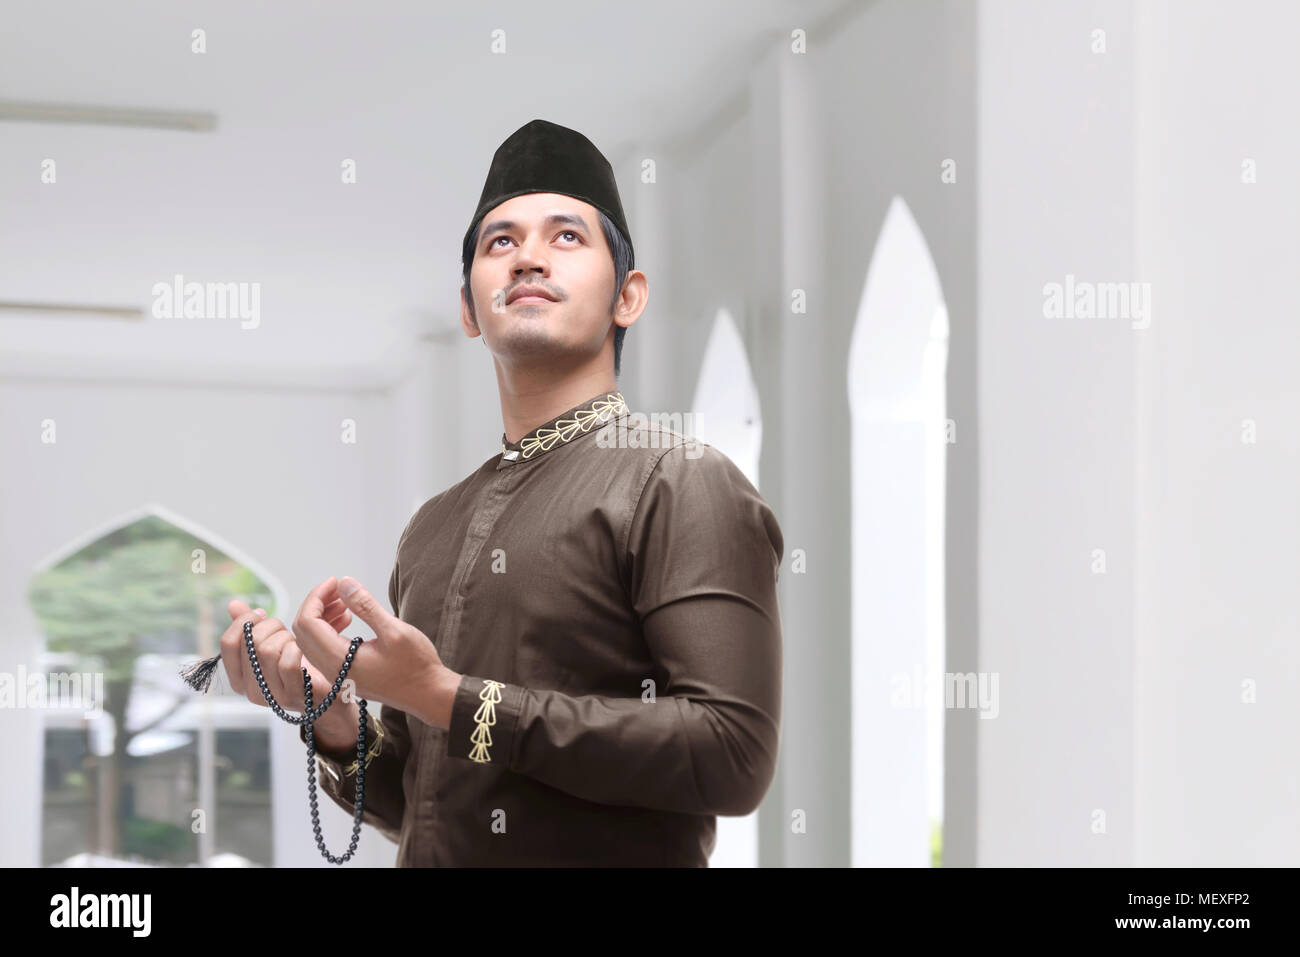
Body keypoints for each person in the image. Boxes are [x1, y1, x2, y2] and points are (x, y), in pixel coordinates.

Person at [219, 118, 784, 866]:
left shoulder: (681, 481)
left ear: (628, 296)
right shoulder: (433, 527)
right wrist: (329, 711)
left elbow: (731, 753)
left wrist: (446, 695)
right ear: (468, 308)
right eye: (501, 243)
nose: (528, 259)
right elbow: (419, 799)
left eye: (567, 238)